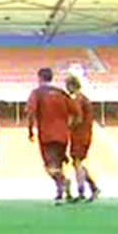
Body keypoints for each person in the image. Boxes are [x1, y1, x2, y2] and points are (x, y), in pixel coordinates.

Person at [26, 68, 81, 205]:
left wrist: (30, 131)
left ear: (39, 78)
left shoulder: (37, 93)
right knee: (58, 164)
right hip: (63, 135)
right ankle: (62, 195)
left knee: (50, 166)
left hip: (47, 135)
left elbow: (30, 112)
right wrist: (69, 127)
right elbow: (77, 113)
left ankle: (64, 182)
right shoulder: (61, 93)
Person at [65, 75, 101, 203]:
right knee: (77, 162)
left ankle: (81, 191)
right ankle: (93, 187)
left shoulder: (78, 99)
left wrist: (67, 126)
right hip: (85, 134)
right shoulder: (84, 98)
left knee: (77, 162)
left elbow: (78, 118)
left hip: (79, 134)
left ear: (71, 85)